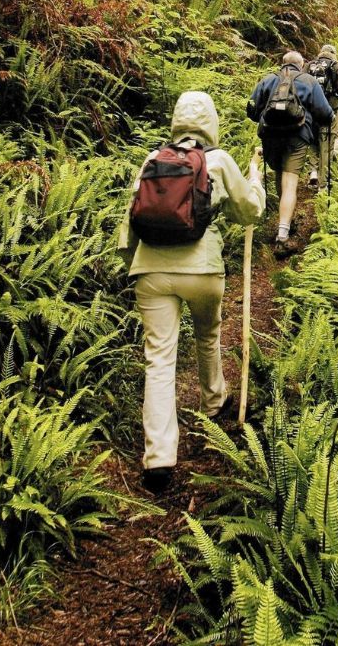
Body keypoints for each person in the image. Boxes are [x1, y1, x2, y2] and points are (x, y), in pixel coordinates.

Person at [117, 90, 265, 494]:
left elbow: (129, 222)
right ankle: (214, 401)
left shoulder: (152, 160)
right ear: (211, 123)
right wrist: (256, 179)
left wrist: (133, 262)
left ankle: (159, 459)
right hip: (202, 269)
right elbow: (250, 211)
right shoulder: (218, 161)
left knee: (159, 360)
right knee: (208, 335)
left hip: (149, 270)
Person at [247, 50, 333, 254]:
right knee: (290, 182)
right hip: (297, 136)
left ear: (282, 64)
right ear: (301, 64)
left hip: (270, 137)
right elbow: (325, 113)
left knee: (279, 175)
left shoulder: (268, 80)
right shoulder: (308, 81)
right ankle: (283, 235)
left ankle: (284, 221)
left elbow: (251, 109)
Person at [306, 43, 338, 189]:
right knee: (326, 148)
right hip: (328, 111)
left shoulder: (310, 65)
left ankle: (312, 172)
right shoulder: (335, 66)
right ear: (333, 53)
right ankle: (323, 184)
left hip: (311, 112)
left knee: (313, 143)